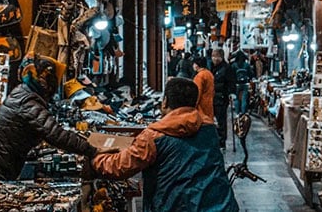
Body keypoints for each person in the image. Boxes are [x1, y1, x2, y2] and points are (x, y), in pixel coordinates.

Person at [90, 77, 239, 212]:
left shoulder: (154, 136)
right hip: (221, 206)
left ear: (165, 101)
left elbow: (120, 166)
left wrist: (95, 158)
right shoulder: (208, 128)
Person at [0, 52, 99, 180]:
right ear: (47, 80)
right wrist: (92, 150)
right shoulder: (28, 102)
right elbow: (56, 135)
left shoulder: (24, 93)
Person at [211, 49, 235, 149]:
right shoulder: (213, 68)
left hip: (222, 97)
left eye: (216, 56)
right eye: (213, 56)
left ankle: (222, 141)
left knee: (221, 120)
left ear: (221, 57)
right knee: (214, 120)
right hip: (214, 97)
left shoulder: (227, 68)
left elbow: (231, 82)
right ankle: (216, 140)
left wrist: (231, 93)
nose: (214, 58)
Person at [192, 56, 215, 123]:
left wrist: (194, 105)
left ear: (197, 65)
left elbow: (197, 92)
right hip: (209, 103)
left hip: (201, 106)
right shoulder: (209, 74)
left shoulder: (199, 76)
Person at [231, 50, 253, 115]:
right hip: (245, 84)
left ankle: (237, 113)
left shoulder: (234, 65)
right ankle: (243, 113)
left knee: (236, 98)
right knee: (244, 99)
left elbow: (231, 75)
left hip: (237, 84)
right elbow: (251, 74)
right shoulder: (246, 65)